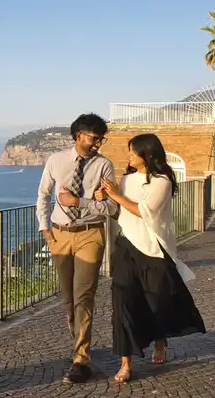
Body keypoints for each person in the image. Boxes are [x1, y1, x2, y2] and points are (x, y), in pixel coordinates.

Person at [97, 133, 206, 384]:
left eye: (133, 152)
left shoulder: (162, 180)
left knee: (156, 301)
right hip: (126, 247)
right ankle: (126, 362)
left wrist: (116, 196)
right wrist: (105, 198)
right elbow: (118, 212)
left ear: (147, 154)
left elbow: (145, 212)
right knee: (122, 302)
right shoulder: (124, 180)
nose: (129, 156)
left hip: (154, 249)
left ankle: (160, 339)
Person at [36, 113, 118, 384]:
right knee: (68, 298)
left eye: (100, 139)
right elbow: (43, 194)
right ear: (78, 136)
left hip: (90, 234)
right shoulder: (56, 160)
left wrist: (79, 203)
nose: (97, 143)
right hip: (59, 234)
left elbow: (111, 207)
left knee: (84, 295)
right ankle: (78, 344)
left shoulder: (104, 166)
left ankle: (81, 358)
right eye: (94, 138)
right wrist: (45, 229)